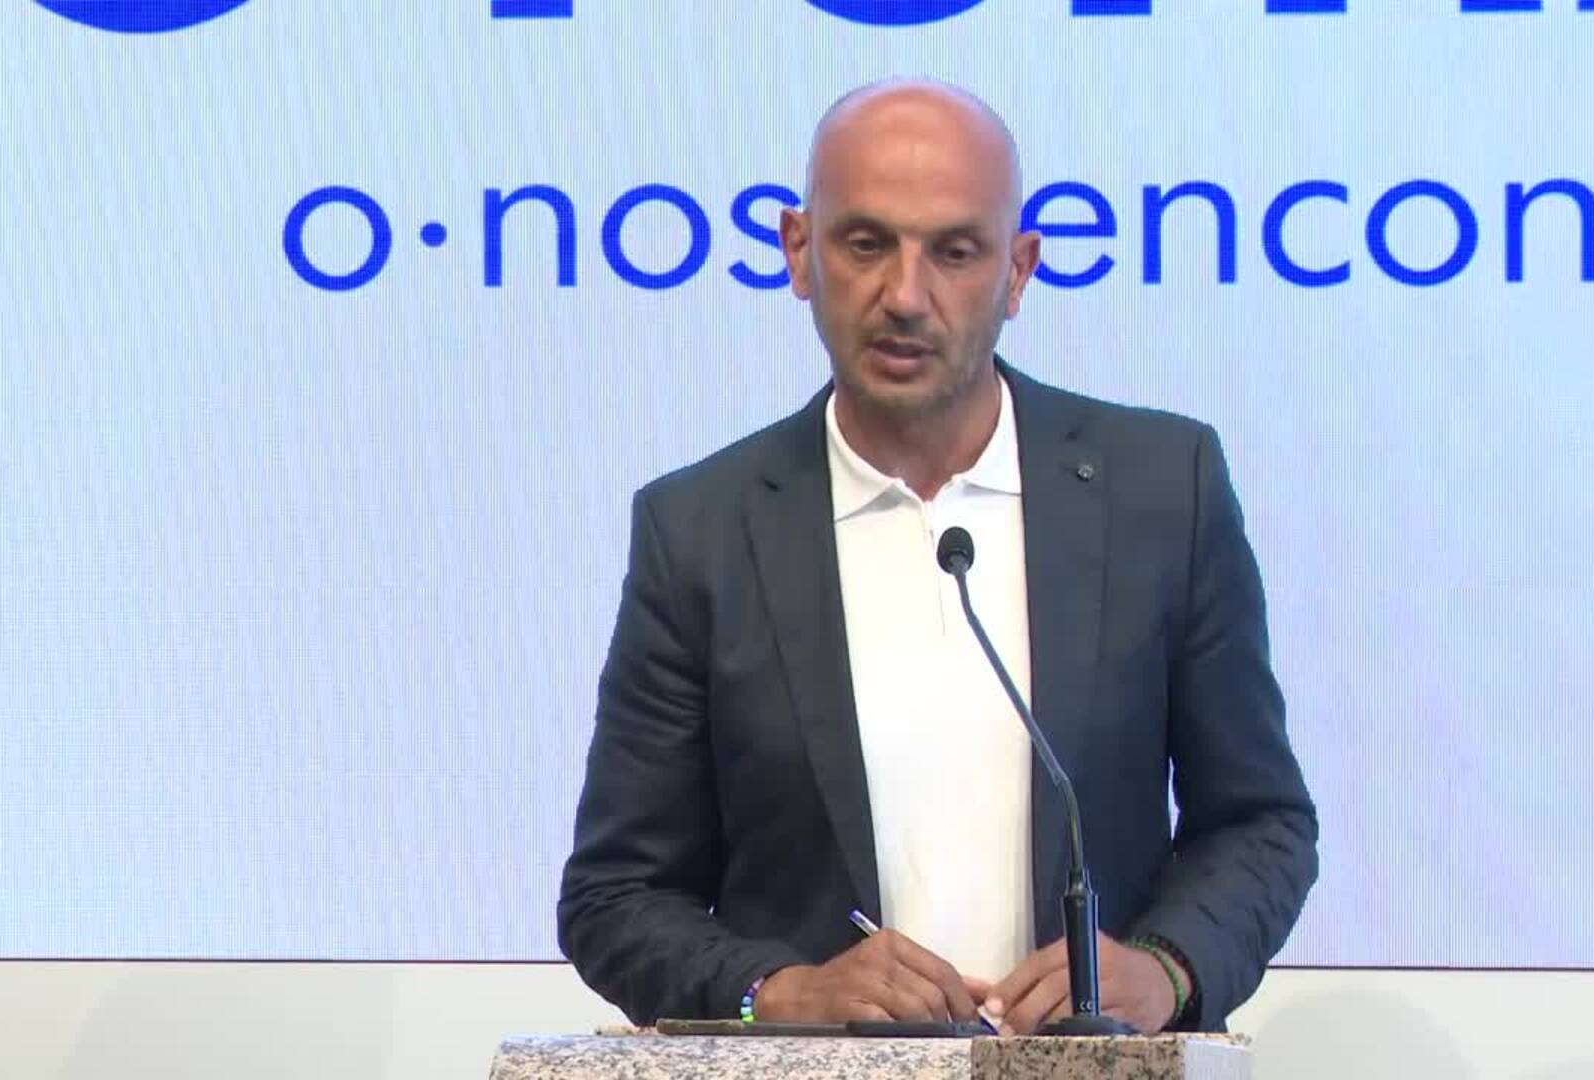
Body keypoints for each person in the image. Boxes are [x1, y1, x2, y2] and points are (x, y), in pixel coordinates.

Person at [557, 78, 1316, 1035]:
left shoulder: (1164, 490)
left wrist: (1165, 972)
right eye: (865, 243)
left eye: (954, 252)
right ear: (799, 251)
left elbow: (1258, 824)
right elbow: (617, 896)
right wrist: (779, 994)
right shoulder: (701, 530)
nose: (906, 297)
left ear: (1018, 271)